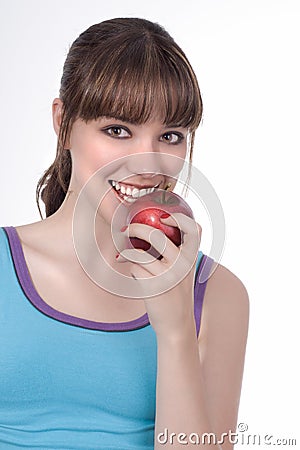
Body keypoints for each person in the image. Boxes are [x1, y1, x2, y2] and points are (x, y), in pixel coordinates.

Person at [0, 17, 249, 450]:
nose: (147, 161)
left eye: (170, 135)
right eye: (118, 130)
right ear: (62, 124)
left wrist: (174, 332)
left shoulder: (218, 295)